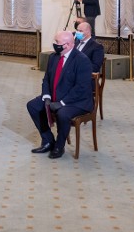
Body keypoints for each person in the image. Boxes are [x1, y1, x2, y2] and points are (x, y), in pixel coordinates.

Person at [26, 30, 94, 159]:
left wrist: (62, 103)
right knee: (33, 106)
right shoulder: (53, 57)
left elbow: (81, 88)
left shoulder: (82, 60)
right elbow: (46, 79)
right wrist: (46, 96)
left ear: (67, 45)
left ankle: (59, 145)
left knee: (62, 113)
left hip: (77, 101)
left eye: (57, 42)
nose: (54, 44)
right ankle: (47, 141)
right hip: (55, 96)